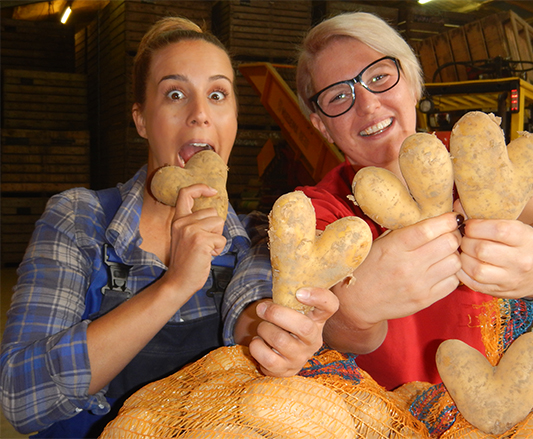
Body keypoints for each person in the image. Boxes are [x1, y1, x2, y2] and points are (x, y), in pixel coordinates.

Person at [0, 17, 338, 438]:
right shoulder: (79, 218)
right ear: (141, 120)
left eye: (218, 95)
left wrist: (280, 337)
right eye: (175, 94)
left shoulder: (254, 237)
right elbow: (20, 396)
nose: (199, 114)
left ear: (233, 120)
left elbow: (250, 310)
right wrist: (173, 285)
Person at [294, 12, 533, 391]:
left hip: (500, 394)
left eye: (378, 78)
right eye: (338, 96)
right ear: (321, 125)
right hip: (388, 415)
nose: (367, 105)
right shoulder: (321, 208)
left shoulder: (475, 155)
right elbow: (325, 329)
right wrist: (355, 312)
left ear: (411, 82)